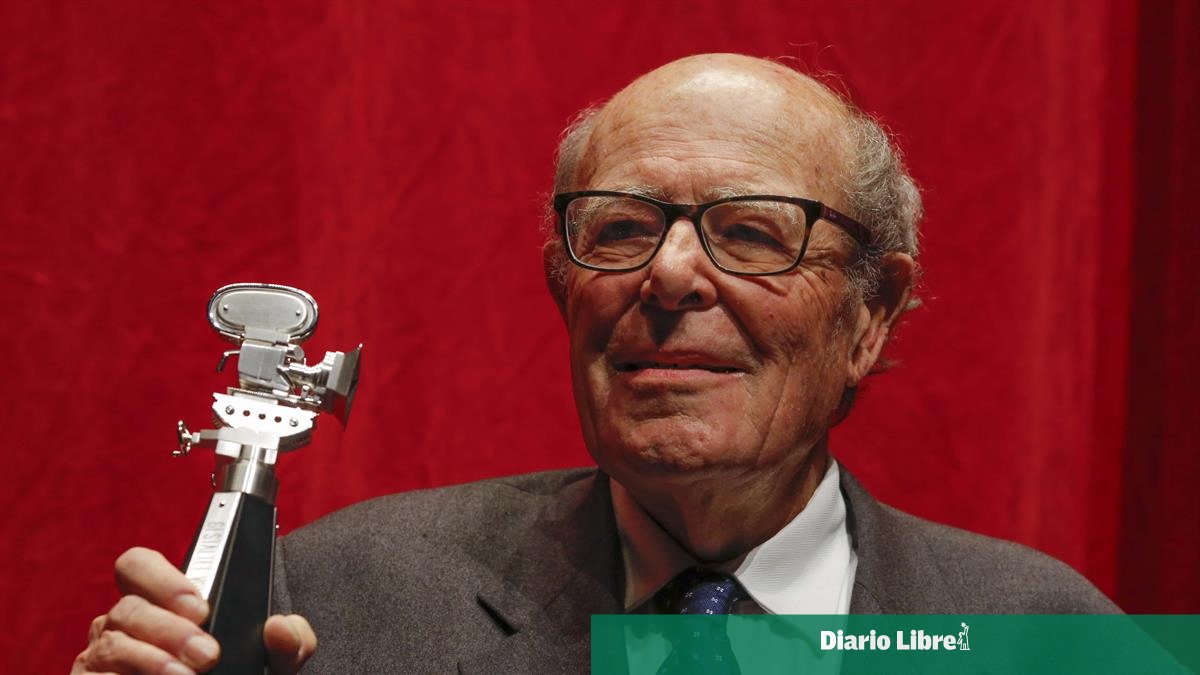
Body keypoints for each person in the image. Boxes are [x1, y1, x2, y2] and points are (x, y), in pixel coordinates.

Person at [73, 53, 1117, 675]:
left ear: (870, 315)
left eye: (752, 233)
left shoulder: (1050, 641)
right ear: (563, 292)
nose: (668, 275)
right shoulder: (334, 603)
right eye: (618, 229)